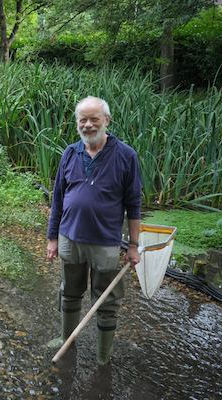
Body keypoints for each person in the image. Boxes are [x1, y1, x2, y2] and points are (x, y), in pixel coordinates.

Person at [46, 96, 142, 365]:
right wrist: (52, 238)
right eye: (82, 120)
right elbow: (57, 199)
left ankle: (103, 357)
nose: (88, 125)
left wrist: (133, 245)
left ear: (106, 121)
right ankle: (67, 340)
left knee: (107, 301)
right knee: (69, 291)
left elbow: (134, 204)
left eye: (94, 119)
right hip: (69, 238)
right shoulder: (69, 153)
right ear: (77, 123)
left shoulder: (126, 155)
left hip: (105, 243)